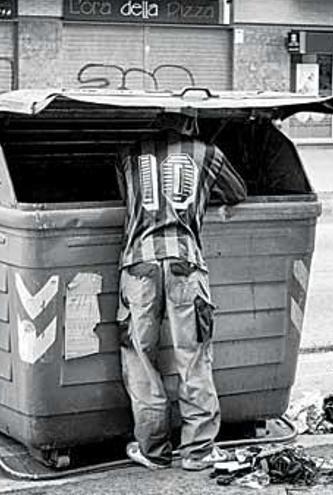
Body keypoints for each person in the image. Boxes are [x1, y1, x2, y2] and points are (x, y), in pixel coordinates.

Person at [115, 112, 247, 471]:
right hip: (186, 264)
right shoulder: (209, 154)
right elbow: (238, 192)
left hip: (138, 265)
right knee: (193, 357)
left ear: (158, 120)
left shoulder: (130, 152)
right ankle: (198, 451)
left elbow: (128, 199)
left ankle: (153, 450)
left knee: (141, 359)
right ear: (191, 122)